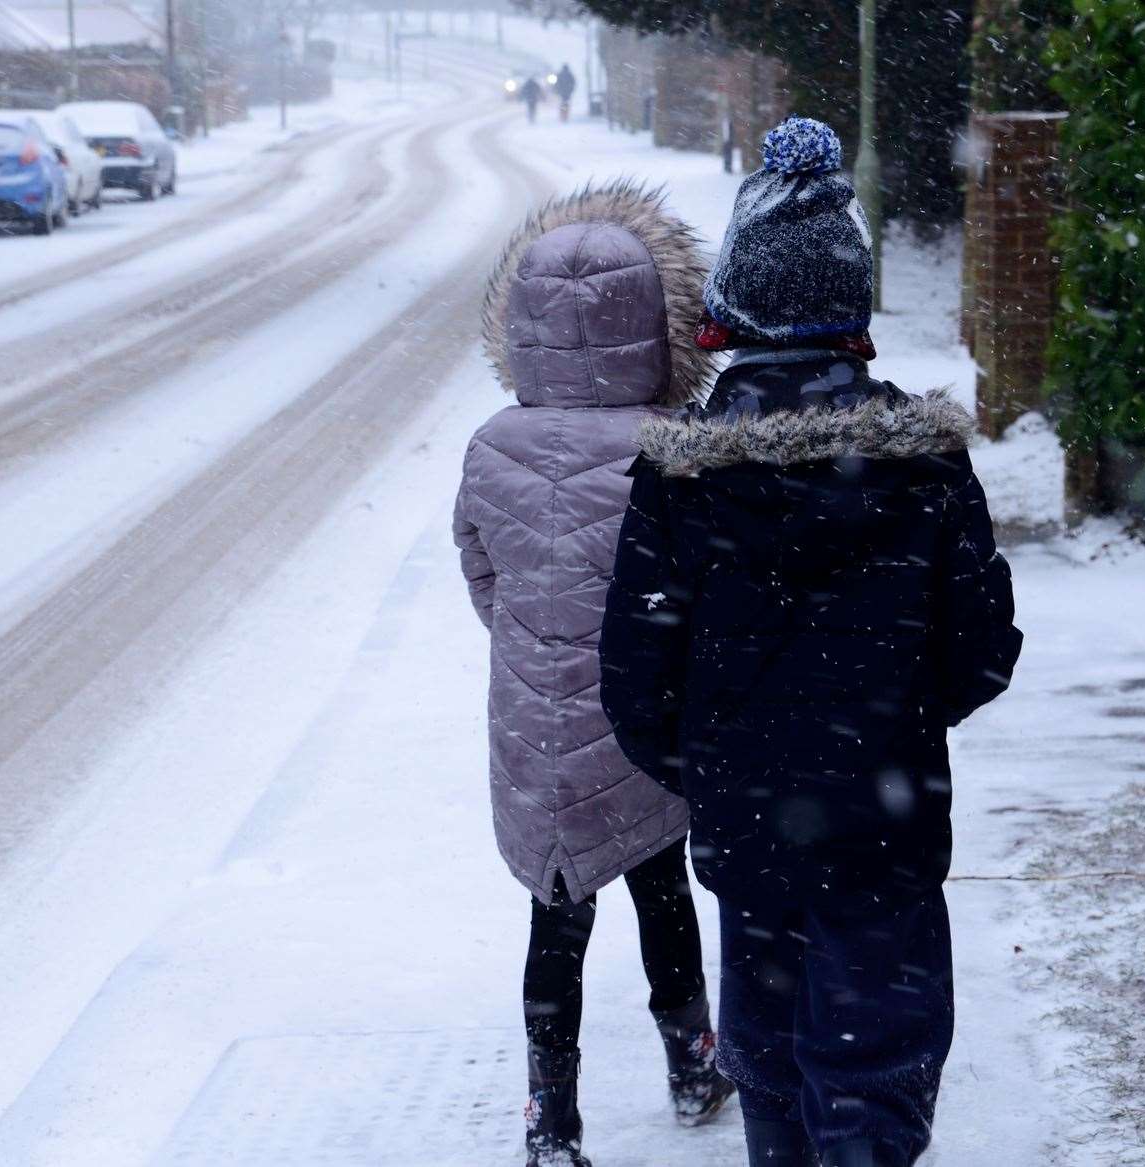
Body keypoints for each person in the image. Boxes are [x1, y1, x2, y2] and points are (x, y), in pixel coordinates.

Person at [600, 117, 1023, 1167]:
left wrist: (717, 759)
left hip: (749, 831)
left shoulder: (682, 476)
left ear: (732, 313)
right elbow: (981, 648)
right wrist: (891, 725)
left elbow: (633, 675)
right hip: (884, 824)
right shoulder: (923, 466)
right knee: (873, 1065)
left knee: (776, 1060)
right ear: (851, 311)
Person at [453, 182, 736, 1167]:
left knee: (554, 913)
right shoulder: (674, 450)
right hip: (645, 723)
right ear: (657, 324)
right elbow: (706, 588)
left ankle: (551, 1118)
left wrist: (537, 645)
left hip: (537, 733)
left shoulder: (491, 448)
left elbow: (480, 570)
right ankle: (693, 1060)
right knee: (664, 893)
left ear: (519, 328)